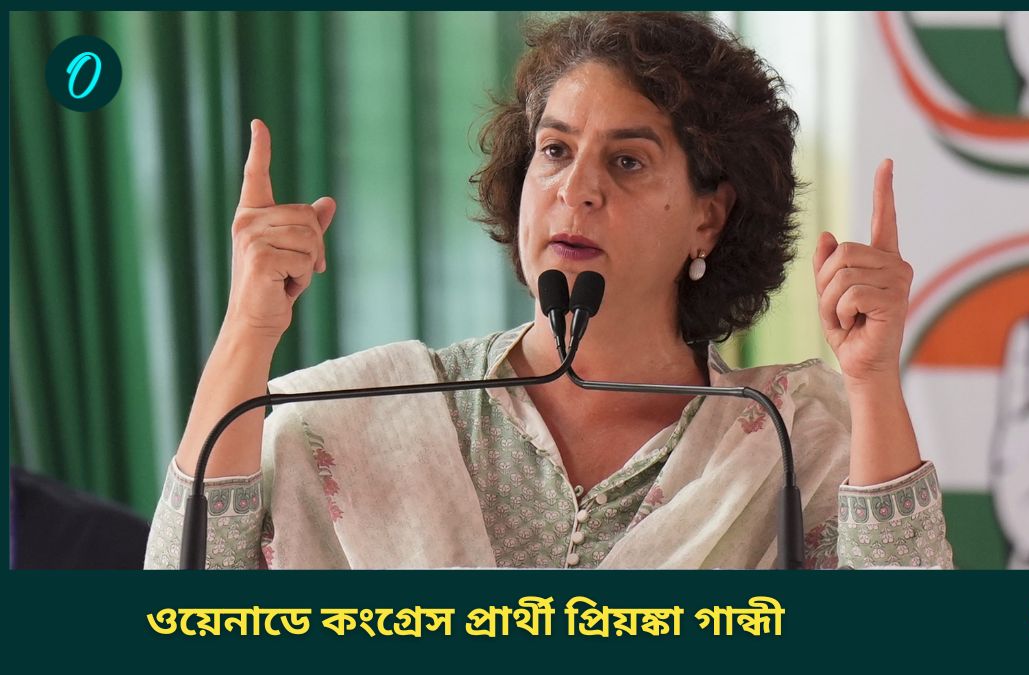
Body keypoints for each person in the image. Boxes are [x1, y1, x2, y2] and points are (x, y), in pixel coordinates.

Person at [145, 12, 953, 570]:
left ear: (708, 216)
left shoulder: (785, 439)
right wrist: (248, 327)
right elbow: (182, 601)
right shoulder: (364, 415)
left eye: (627, 161)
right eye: (556, 151)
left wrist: (872, 379)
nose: (577, 189)